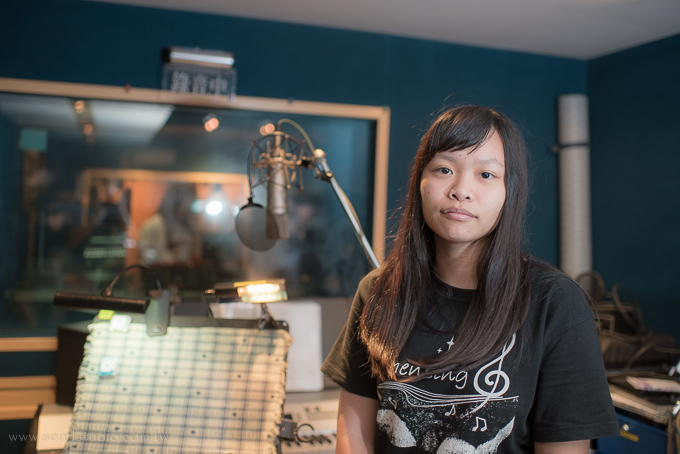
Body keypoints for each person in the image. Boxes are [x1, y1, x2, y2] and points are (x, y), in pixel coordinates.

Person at [321, 106, 619, 454]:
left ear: (510, 190)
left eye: (486, 174)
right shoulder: (378, 291)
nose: (461, 190)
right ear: (420, 182)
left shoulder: (554, 302)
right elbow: (353, 432)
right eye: (444, 169)